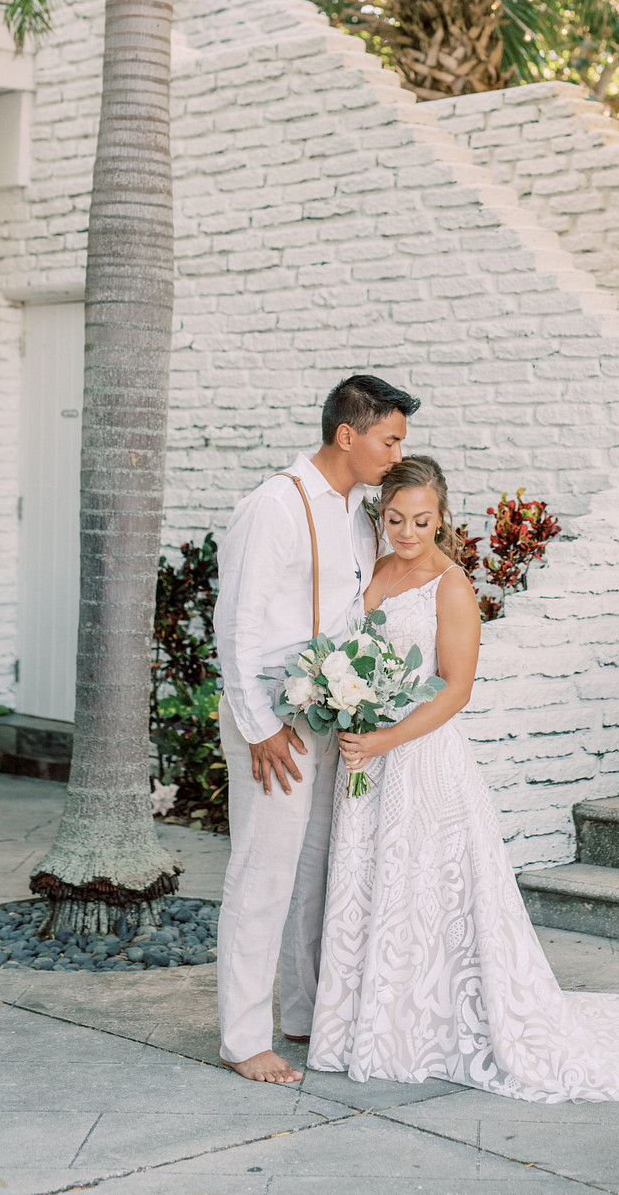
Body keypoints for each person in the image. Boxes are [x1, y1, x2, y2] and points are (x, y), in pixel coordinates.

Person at [307, 455, 619, 1102]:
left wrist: (384, 738)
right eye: (395, 518)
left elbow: (457, 691)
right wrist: (348, 709)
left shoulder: (450, 586)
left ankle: (429, 1029)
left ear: (441, 518)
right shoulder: (377, 572)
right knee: (373, 885)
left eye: (421, 520)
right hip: (366, 757)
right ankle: (370, 1027)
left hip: (419, 759)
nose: (407, 531)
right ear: (381, 514)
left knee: (428, 892)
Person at [214, 374, 420, 1084]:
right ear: (347, 435)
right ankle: (242, 1040)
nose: (397, 453)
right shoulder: (274, 505)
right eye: (389, 439)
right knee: (262, 873)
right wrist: (259, 725)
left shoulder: (360, 511)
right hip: (273, 718)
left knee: (314, 873)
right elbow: (236, 622)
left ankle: (302, 1013)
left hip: (331, 712)